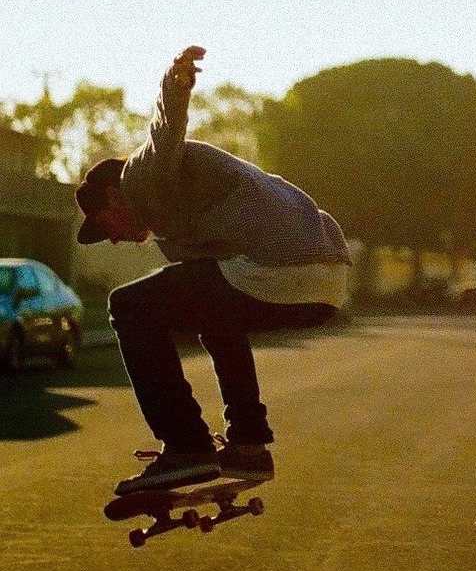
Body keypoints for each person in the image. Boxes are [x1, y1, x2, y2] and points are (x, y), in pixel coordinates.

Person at [75, 46, 353, 496]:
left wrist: (175, 81)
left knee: (126, 305)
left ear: (112, 198)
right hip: (324, 279)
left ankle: (186, 446)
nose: (111, 239)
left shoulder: (138, 179)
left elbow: (166, 132)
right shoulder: (178, 230)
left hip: (278, 265)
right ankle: (248, 443)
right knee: (214, 315)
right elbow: (212, 300)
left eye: (104, 227)